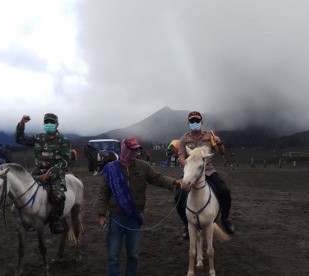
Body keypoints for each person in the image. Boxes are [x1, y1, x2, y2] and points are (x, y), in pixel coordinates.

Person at [96, 137, 180, 276]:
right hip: (116, 218)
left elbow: (158, 178)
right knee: (113, 256)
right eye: (131, 149)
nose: (134, 152)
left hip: (134, 217)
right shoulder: (110, 169)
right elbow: (103, 193)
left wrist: (176, 183)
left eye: (136, 149)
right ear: (124, 149)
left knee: (133, 255)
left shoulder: (143, 166)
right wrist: (101, 213)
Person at [175, 111, 235, 240]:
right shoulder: (184, 138)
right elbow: (181, 156)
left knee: (224, 191)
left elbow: (221, 152)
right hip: (191, 172)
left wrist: (219, 143)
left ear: (201, 122)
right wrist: (188, 167)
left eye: (197, 121)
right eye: (192, 121)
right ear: (188, 123)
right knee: (179, 195)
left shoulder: (209, 136)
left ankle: (225, 219)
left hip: (208, 171)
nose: (194, 123)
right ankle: (186, 224)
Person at [15, 113, 71, 234]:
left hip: (55, 174)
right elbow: (19, 139)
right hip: (37, 172)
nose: (49, 124)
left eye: (51, 122)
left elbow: (65, 161)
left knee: (59, 196)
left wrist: (50, 174)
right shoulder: (38, 138)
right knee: (22, 191)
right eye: (46, 122)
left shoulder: (63, 140)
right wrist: (21, 124)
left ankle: (55, 222)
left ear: (57, 124)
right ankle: (27, 218)